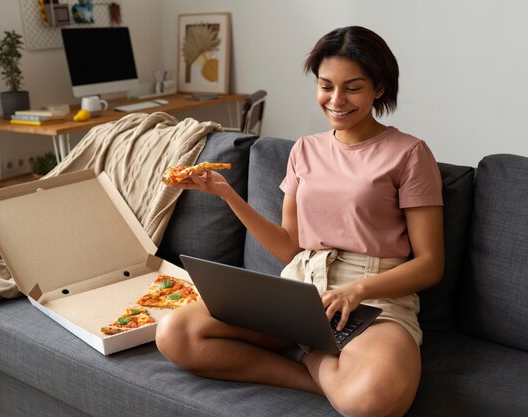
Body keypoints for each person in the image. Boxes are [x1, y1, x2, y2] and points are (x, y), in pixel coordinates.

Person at [155, 26, 444, 417]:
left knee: (374, 401)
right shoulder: (304, 150)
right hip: (301, 292)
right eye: (326, 86)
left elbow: (430, 264)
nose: (336, 100)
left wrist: (356, 290)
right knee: (175, 333)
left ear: (379, 88)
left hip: (374, 298)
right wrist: (227, 193)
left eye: (352, 88)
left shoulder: (410, 153)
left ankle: (312, 357)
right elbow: (291, 246)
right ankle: (318, 371)